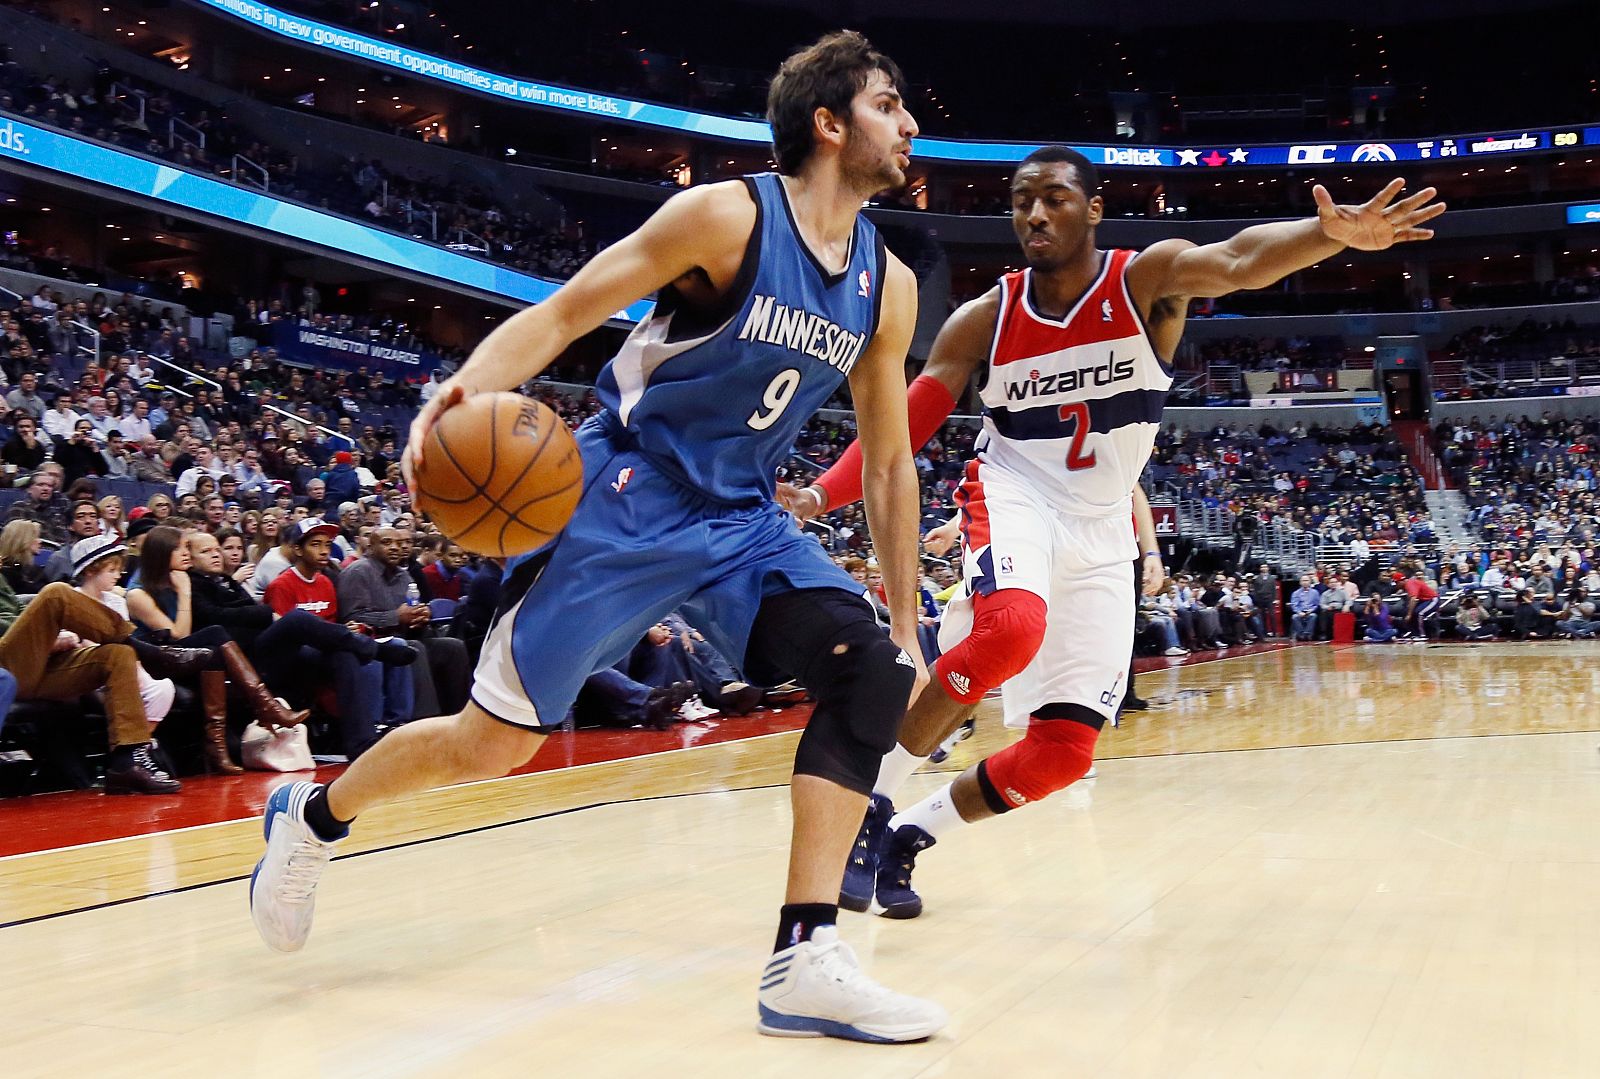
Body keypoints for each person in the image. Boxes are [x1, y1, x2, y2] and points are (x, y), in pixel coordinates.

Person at [249, 31, 945, 1045]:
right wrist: (461, 394)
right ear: (830, 123)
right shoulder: (725, 217)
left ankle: (805, 957)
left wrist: (904, 615)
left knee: (872, 670)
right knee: (491, 747)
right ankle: (311, 819)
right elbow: (571, 309)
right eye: (890, 105)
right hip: (621, 498)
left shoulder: (887, 283)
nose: (911, 124)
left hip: (742, 518)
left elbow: (888, 461)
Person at [785, 144, 1444, 918]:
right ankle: (872, 801)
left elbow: (1239, 260)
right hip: (1015, 490)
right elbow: (909, 416)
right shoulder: (985, 316)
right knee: (1009, 629)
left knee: (1063, 753)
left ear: (1093, 209)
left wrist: (1331, 235)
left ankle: (908, 832)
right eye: (1023, 199)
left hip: (1102, 522)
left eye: (1056, 197)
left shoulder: (1145, 279)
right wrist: (821, 495)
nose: (1035, 212)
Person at [263, 518, 417, 757]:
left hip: (322, 652)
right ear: (297, 549)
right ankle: (373, 650)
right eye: (315, 544)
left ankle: (366, 741)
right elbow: (285, 634)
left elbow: (332, 628)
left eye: (327, 544)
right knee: (319, 633)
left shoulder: (325, 582)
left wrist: (349, 630)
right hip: (287, 658)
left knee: (346, 653)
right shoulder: (281, 585)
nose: (324, 551)